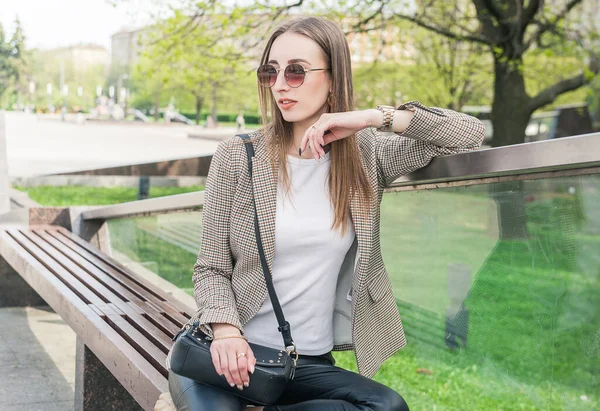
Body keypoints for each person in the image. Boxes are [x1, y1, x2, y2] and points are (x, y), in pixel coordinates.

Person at [166, 16, 485, 411]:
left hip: (303, 364)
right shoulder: (237, 157)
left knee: (387, 406)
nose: (280, 83)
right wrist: (227, 332)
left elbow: (469, 133)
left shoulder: (367, 156)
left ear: (333, 79)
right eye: (271, 71)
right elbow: (211, 268)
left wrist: (373, 117)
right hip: (224, 356)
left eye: (296, 71)